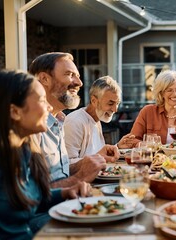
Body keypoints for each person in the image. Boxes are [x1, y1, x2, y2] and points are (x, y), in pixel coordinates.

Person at [0, 70, 91, 239]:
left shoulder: (25, 151)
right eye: (42, 100)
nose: (49, 107)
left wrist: (64, 192)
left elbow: (29, 198)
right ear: (15, 112)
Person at [28, 52, 118, 188]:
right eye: (70, 74)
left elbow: (59, 174)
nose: (79, 83)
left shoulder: (58, 122)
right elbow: (31, 191)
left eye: (78, 76)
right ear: (44, 79)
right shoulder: (30, 128)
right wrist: (79, 178)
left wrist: (85, 163)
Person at [63, 76, 138, 163]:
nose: (115, 109)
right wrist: (99, 157)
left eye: (117, 103)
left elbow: (98, 154)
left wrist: (118, 147)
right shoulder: (74, 122)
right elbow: (67, 164)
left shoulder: (96, 119)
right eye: (110, 103)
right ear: (94, 101)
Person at [130, 70, 176, 144]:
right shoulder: (147, 112)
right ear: (161, 93)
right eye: (169, 90)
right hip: (153, 155)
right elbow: (133, 139)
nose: (175, 94)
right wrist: (147, 146)